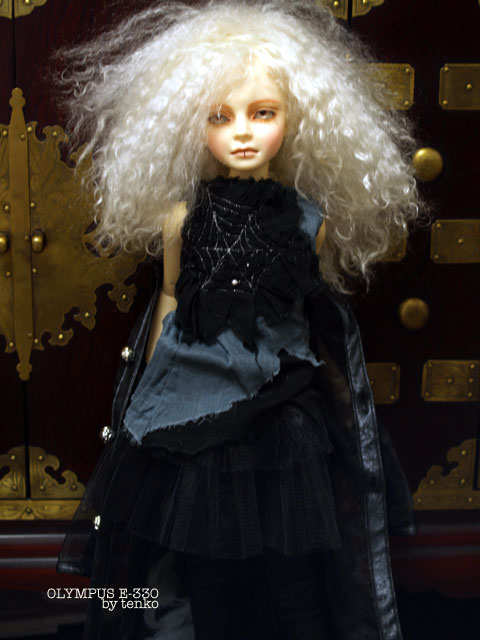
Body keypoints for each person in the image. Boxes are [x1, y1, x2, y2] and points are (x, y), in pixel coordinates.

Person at [56, 1, 419, 638]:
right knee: (206, 575)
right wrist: (149, 393)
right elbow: (171, 301)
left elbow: (312, 320)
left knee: (293, 578)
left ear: (294, 121)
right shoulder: (181, 218)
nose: (242, 133)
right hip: (197, 409)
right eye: (220, 117)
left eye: (263, 114)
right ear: (192, 126)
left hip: (281, 416)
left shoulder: (308, 221)